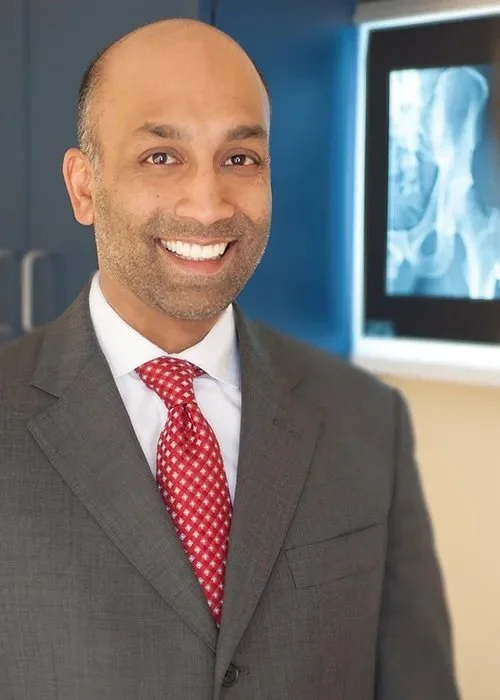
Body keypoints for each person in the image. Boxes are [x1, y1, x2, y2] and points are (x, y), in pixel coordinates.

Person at [0, 18, 459, 700]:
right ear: (84, 187)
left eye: (240, 159)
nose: (209, 206)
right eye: (162, 157)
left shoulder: (367, 421)